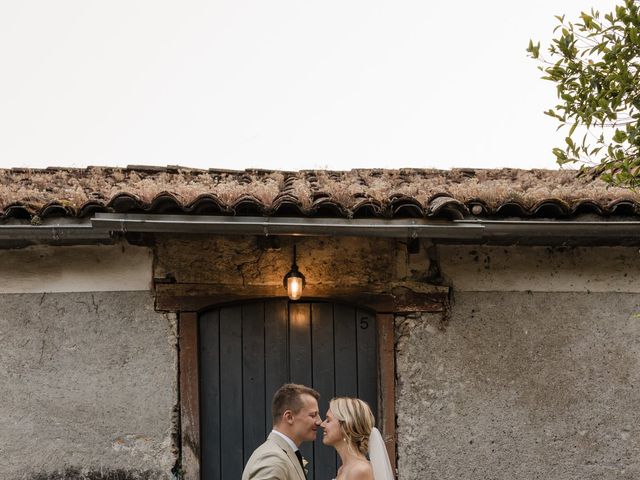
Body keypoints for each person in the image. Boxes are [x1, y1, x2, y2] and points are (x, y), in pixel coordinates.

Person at [242, 383, 322, 480]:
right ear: (289, 417)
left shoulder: (280, 454)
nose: (319, 422)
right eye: (313, 415)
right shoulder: (272, 459)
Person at [320, 397, 395, 480]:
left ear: (347, 427)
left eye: (328, 420)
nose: (322, 424)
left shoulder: (359, 470)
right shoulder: (343, 469)